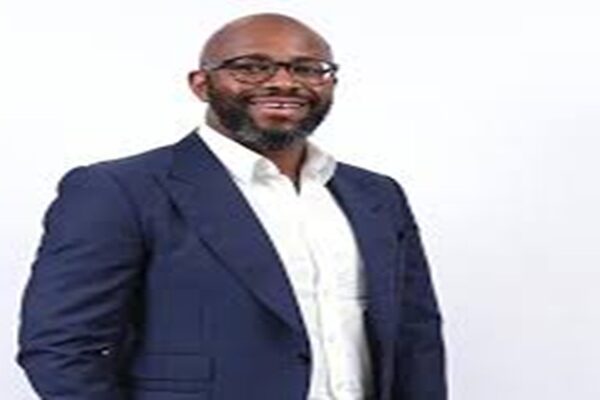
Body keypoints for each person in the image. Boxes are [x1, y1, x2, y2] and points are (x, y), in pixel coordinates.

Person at [17, 13, 446, 400]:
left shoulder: (376, 194)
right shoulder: (118, 190)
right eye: (251, 67)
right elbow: (61, 348)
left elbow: (415, 338)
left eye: (308, 68)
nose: (284, 82)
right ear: (201, 84)